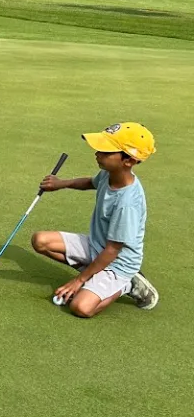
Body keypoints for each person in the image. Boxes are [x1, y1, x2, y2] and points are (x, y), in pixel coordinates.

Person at [31, 122, 158, 318]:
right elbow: (90, 182)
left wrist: (78, 281)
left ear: (129, 160)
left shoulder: (128, 204)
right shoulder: (109, 174)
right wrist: (60, 184)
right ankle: (94, 276)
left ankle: (127, 284)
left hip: (118, 263)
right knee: (40, 241)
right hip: (96, 246)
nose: (97, 154)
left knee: (81, 307)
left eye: (106, 152)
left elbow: (113, 250)